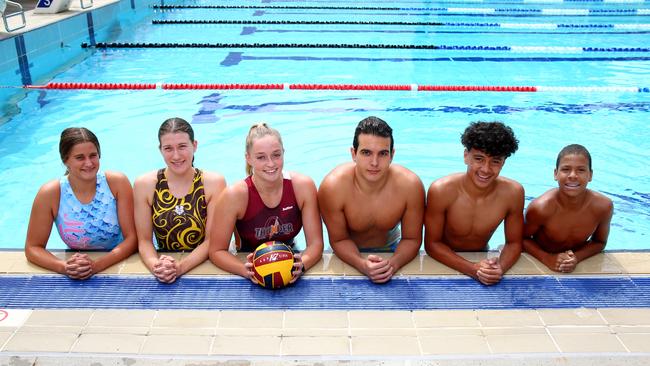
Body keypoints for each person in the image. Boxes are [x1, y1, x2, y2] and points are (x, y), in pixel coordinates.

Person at [209, 122, 323, 283]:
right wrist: (245, 270)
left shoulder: (302, 187)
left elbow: (316, 244)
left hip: (290, 255)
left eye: (276, 155)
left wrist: (302, 264)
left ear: (283, 153)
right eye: (261, 157)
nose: (270, 163)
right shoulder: (235, 195)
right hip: (246, 258)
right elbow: (216, 251)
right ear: (248, 158)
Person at [318, 116, 425, 284]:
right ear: (353, 154)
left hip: (393, 249)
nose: (374, 163)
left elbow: (411, 239)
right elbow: (339, 239)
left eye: (383, 154)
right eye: (366, 153)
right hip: (346, 250)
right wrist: (361, 264)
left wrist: (392, 264)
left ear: (392, 155)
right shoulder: (333, 187)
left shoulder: (410, 186)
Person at [25, 127, 137, 279]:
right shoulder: (51, 193)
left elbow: (132, 238)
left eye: (93, 156)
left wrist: (97, 266)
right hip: (78, 266)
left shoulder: (116, 183)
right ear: (66, 161)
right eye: (80, 158)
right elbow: (33, 248)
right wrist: (64, 267)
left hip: (122, 259)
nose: (89, 163)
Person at [424, 121, 523, 286]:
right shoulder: (442, 191)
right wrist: (473, 269)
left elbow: (514, 243)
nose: (485, 169)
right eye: (479, 159)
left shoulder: (513, 193)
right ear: (466, 156)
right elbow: (432, 244)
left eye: (495, 161)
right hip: (443, 259)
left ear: (503, 162)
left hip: (481, 256)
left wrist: (499, 268)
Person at [134, 117, 226, 283]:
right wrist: (156, 266)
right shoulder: (145, 185)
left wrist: (180, 268)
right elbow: (144, 240)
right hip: (164, 266)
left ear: (194, 145)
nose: (176, 155)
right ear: (160, 150)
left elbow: (212, 240)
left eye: (182, 146)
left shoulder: (213, 183)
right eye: (168, 148)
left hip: (201, 266)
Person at [523, 144, 613, 273]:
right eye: (566, 169)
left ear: (590, 175)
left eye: (581, 170)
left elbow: (599, 242)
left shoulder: (603, 207)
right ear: (556, 174)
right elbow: (519, 239)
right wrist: (547, 258)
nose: (573, 175)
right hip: (543, 256)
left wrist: (577, 257)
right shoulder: (541, 208)